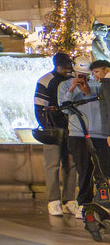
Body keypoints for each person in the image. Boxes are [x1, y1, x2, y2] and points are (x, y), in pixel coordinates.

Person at [63, 60, 110, 216]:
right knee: (84, 169)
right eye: (79, 74)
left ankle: (101, 201)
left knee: (102, 170)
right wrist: (72, 88)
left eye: (92, 73)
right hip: (78, 134)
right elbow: (64, 107)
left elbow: (104, 105)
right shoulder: (65, 85)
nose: (84, 77)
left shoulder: (100, 85)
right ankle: (84, 203)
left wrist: (88, 92)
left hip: (101, 134)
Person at [35, 51, 78, 216]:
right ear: (56, 66)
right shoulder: (46, 81)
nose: (69, 71)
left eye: (70, 67)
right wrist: (46, 126)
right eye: (65, 68)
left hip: (72, 128)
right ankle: (53, 201)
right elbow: (38, 107)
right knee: (52, 165)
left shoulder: (74, 79)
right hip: (53, 128)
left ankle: (69, 200)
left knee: (71, 164)